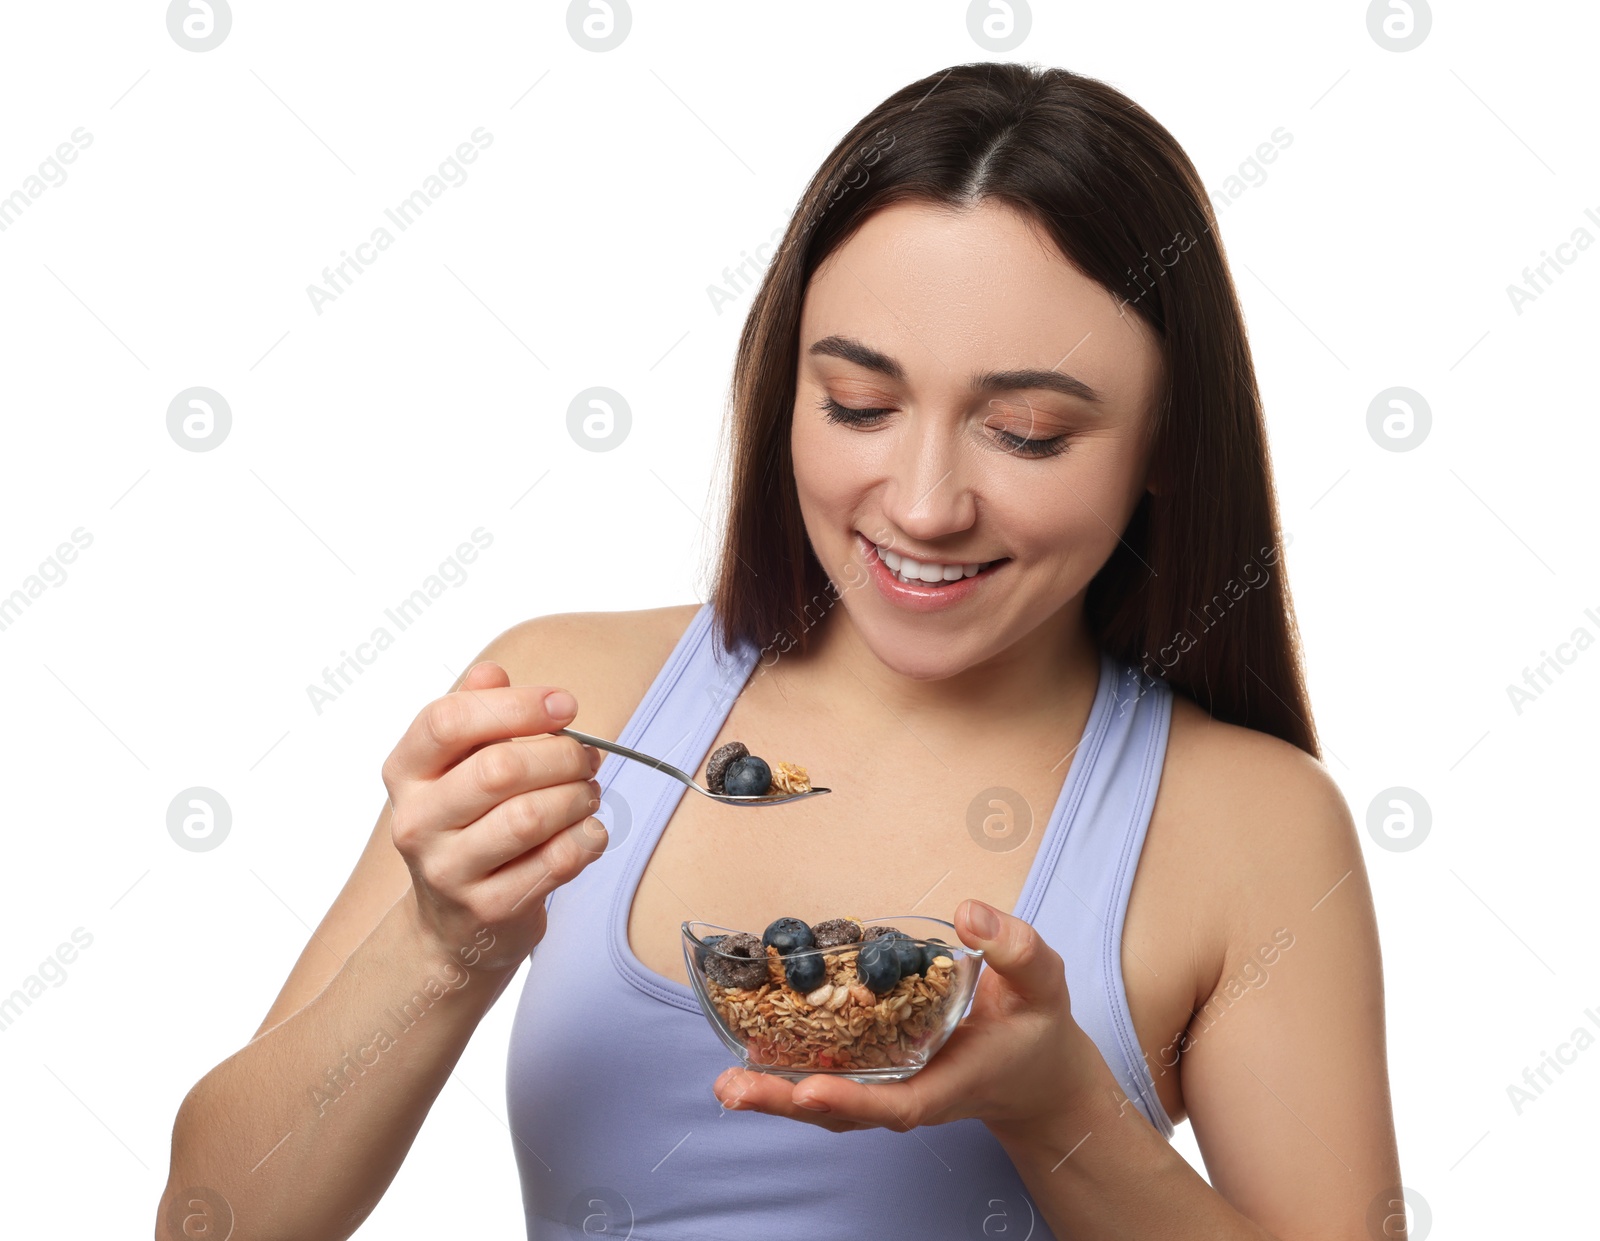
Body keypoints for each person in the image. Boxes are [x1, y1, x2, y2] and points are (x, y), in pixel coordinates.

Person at [158, 62, 1403, 1240]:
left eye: (1025, 432)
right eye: (857, 405)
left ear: (1162, 451)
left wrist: (1060, 1112)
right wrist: (440, 948)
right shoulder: (572, 702)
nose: (921, 505)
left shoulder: (1251, 825)